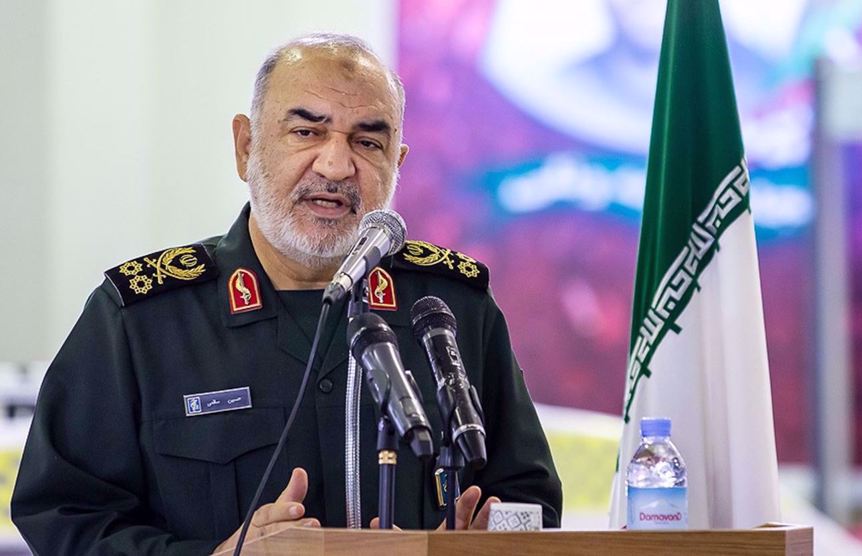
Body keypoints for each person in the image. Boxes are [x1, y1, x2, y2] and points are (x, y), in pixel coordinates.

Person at [11, 33, 562, 554]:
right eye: (307, 132)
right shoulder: (141, 318)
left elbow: (528, 499)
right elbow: (65, 515)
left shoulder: (449, 312)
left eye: (367, 142)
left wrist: (481, 541)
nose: (336, 165)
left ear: (397, 165)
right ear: (245, 146)